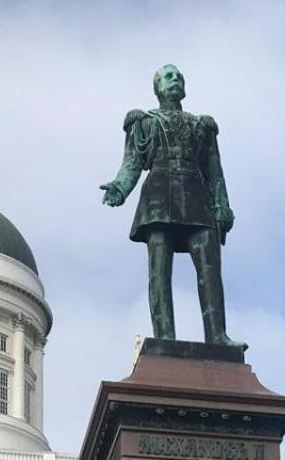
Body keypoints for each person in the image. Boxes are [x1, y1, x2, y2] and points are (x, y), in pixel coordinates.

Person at [101, 63, 240, 346]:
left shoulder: (202, 126)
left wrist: (222, 205)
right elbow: (132, 164)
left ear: (184, 88)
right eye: (168, 76)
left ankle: (217, 335)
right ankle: (166, 337)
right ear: (158, 88)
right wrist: (119, 188)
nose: (174, 79)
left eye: (178, 76)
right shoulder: (144, 122)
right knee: (159, 272)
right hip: (158, 197)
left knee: (210, 270)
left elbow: (215, 171)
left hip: (198, 198)